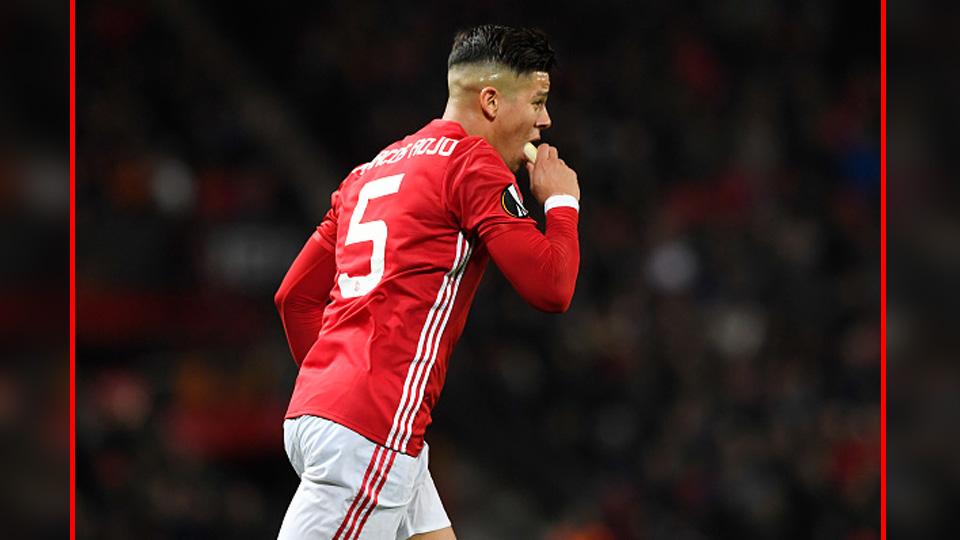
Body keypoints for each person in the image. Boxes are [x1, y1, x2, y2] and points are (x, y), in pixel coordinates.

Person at [274, 25, 581, 540]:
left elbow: (294, 298)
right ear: (491, 101)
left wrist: (340, 392)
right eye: (538, 101)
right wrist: (562, 202)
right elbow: (552, 288)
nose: (545, 120)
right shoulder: (473, 164)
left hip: (327, 415)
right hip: (371, 428)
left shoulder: (369, 171)